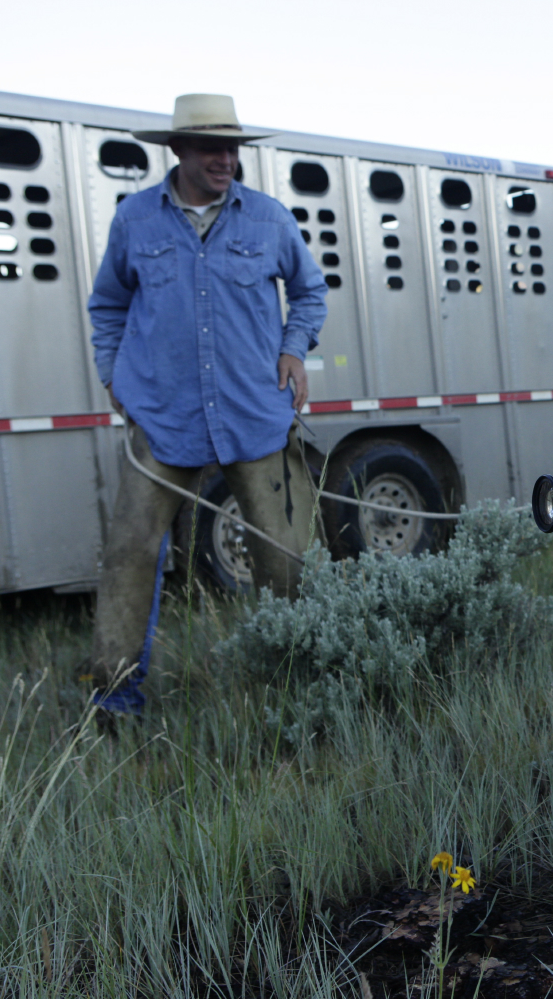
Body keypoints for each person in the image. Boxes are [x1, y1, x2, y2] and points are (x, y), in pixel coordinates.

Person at [86, 94, 327, 713]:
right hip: (163, 418)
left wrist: (294, 349)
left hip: (257, 412)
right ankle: (116, 696)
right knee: (130, 553)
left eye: (233, 147)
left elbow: (308, 293)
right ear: (178, 150)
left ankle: (293, 685)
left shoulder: (269, 219)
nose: (226, 159)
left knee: (285, 555)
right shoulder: (134, 220)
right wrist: (113, 375)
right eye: (211, 147)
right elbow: (108, 305)